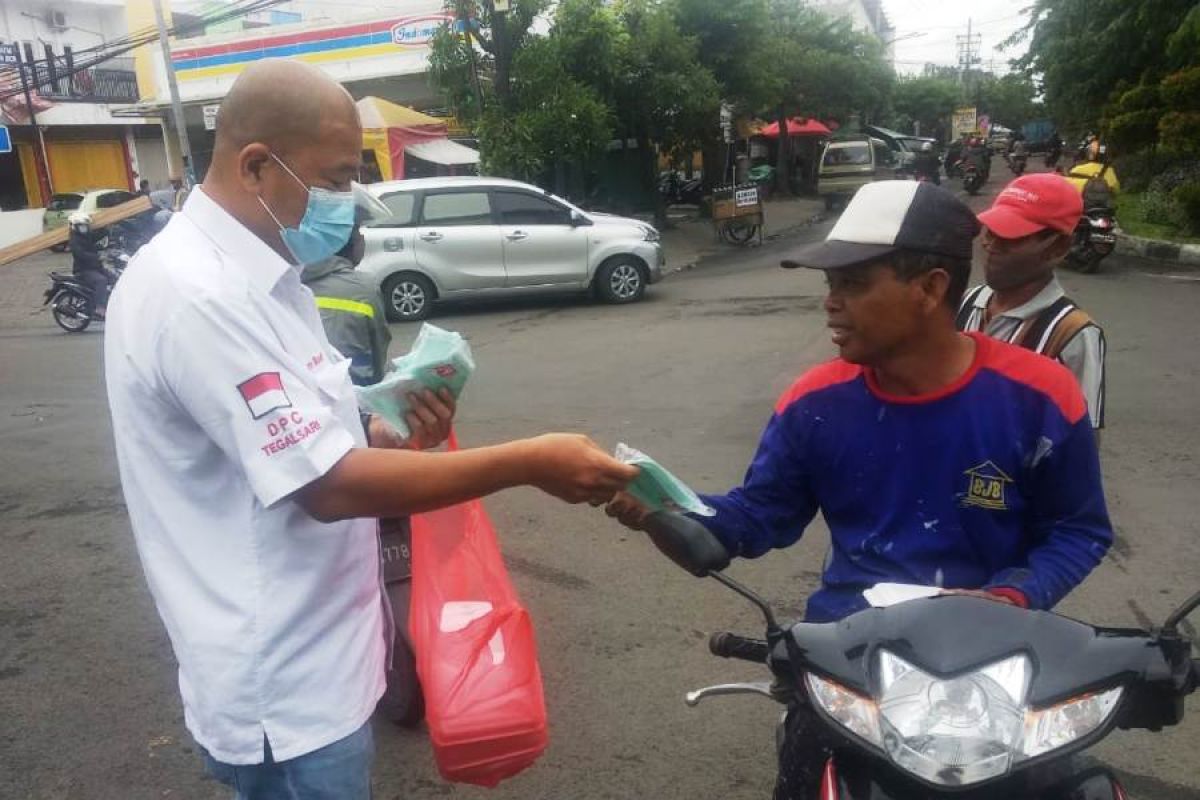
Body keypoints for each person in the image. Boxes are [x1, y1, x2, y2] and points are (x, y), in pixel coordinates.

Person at [104, 59, 638, 800]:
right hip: (285, 692)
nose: (348, 202)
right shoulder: (198, 295)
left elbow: (317, 444)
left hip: (327, 657)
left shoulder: (270, 278)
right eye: (334, 178)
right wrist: (528, 461)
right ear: (257, 166)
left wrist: (393, 438)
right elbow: (326, 485)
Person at [607, 180, 1112, 798]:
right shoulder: (815, 403)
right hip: (849, 664)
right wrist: (661, 506)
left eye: (853, 284)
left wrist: (1013, 596)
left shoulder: (1041, 396)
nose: (831, 304)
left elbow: (1078, 529)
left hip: (1000, 666)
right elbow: (759, 516)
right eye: (830, 285)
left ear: (930, 288)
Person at [957, 173, 1105, 430]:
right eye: (991, 232)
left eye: (1010, 237)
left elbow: (1081, 437)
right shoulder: (965, 302)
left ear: (1058, 248)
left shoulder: (1072, 333)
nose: (990, 245)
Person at [300, 198, 390, 387]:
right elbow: (378, 351)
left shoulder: (290, 279)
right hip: (354, 393)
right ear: (345, 241)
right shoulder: (363, 288)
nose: (362, 239)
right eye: (358, 232)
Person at [67, 212, 112, 320]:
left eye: (85, 225)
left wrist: (106, 226)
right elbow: (80, 254)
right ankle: (100, 308)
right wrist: (97, 257)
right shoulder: (74, 240)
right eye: (81, 226)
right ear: (75, 226)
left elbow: (97, 236)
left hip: (95, 268)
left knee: (115, 277)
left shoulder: (86, 235)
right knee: (101, 281)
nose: (84, 228)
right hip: (83, 270)